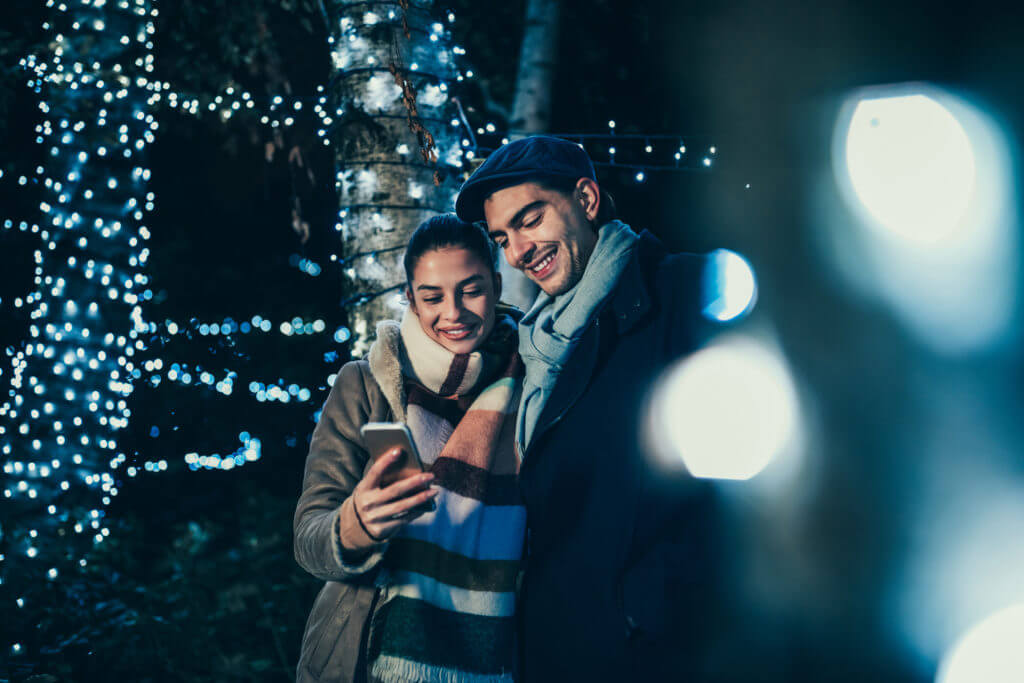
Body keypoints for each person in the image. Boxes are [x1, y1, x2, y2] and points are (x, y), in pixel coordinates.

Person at [455, 136, 722, 682]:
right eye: (502, 238)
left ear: (587, 199)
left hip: (661, 657)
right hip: (556, 655)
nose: (517, 252)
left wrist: (658, 603)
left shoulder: (687, 292)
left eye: (530, 220)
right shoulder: (529, 352)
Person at [294, 215, 526, 683]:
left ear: (497, 285)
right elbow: (308, 539)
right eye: (432, 296)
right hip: (368, 658)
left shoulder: (533, 382)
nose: (453, 312)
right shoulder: (366, 384)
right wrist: (357, 523)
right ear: (410, 299)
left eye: (471, 289)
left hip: (501, 657)